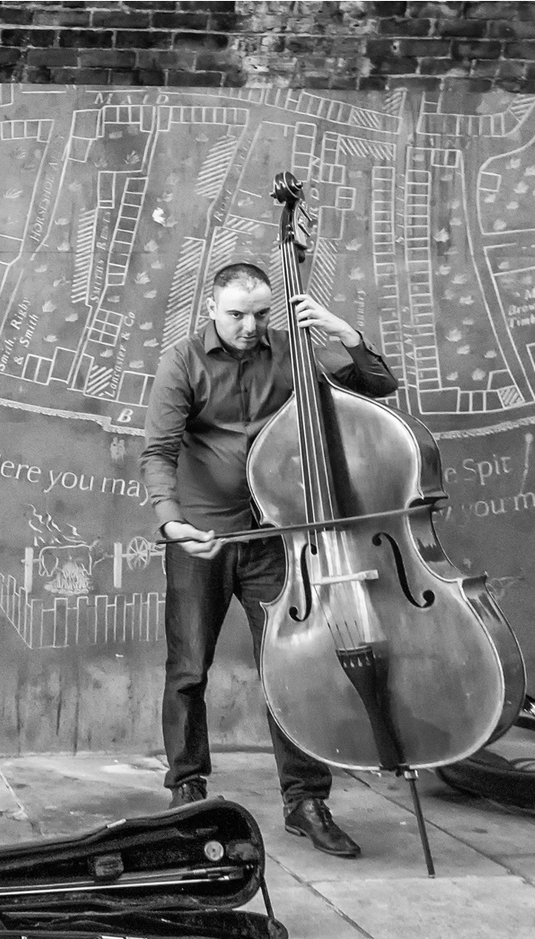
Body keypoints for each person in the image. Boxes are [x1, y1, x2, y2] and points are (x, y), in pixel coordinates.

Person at [139, 262, 399, 858]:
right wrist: (173, 524)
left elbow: (378, 385)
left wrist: (345, 332)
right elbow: (158, 451)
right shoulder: (181, 362)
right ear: (211, 307)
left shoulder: (294, 352)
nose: (250, 326)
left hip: (276, 533)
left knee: (291, 666)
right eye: (236, 314)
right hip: (201, 538)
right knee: (188, 670)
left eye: (260, 313)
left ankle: (305, 800)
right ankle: (188, 791)